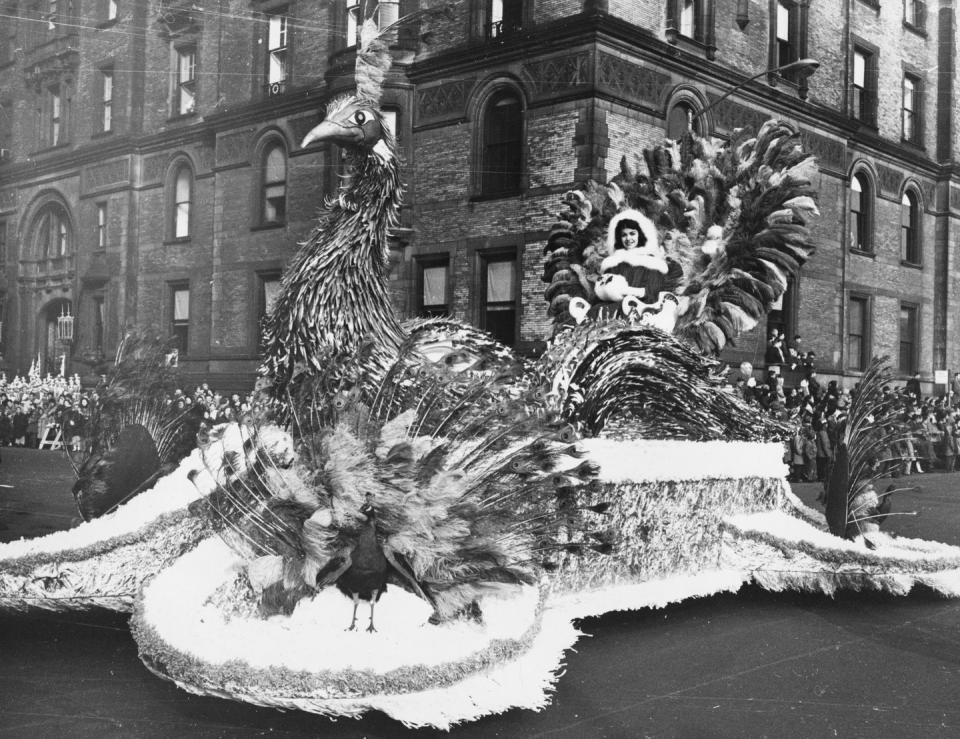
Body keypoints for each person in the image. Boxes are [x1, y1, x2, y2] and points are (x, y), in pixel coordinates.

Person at [594, 210, 683, 311]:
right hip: (612, 306)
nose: (628, 238)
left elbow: (653, 290)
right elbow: (602, 290)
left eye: (632, 234)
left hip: (640, 306)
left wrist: (629, 291)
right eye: (624, 235)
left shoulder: (651, 262)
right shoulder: (613, 263)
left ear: (639, 235)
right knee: (596, 310)